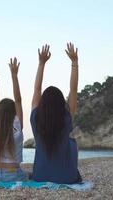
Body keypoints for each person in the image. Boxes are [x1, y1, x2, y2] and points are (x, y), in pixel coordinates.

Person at [30, 43, 82, 183]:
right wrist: (74, 62)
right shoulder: (66, 117)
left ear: (42, 103)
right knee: (73, 142)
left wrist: (41, 63)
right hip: (68, 178)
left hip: (39, 176)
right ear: (61, 103)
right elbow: (73, 89)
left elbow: (36, 90)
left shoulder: (35, 118)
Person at [0, 59, 28, 181]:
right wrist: (14, 75)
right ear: (14, 112)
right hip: (13, 173)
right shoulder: (17, 127)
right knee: (30, 174)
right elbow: (18, 100)